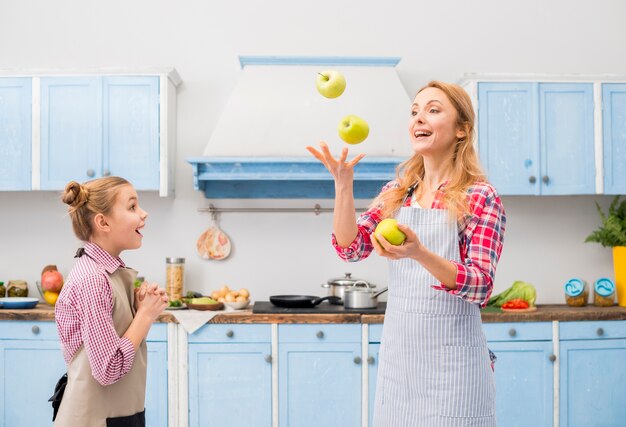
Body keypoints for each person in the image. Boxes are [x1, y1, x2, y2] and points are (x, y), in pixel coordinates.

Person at [307, 81, 506, 426]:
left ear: (462, 129)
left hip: (454, 371)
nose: (418, 118)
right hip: (401, 365)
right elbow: (351, 248)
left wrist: (419, 253)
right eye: (414, 111)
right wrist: (343, 186)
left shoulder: (480, 196)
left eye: (432, 109)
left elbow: (481, 286)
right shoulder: (397, 194)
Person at [53, 176, 169, 427]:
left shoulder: (106, 273)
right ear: (103, 222)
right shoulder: (93, 279)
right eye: (132, 207)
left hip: (117, 416)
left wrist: (137, 309)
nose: (143, 213)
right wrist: (145, 316)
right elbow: (108, 369)